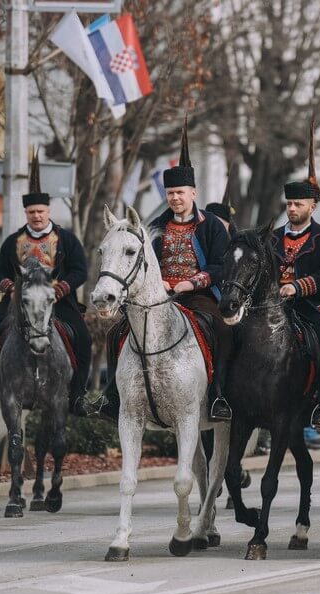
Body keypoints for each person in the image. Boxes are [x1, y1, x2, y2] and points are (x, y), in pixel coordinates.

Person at [95, 118, 233, 422]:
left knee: (221, 329)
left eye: (180, 192)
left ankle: (218, 396)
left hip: (197, 296)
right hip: (158, 297)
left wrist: (190, 283)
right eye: (170, 193)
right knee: (116, 332)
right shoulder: (155, 226)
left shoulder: (211, 225)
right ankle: (112, 398)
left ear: (193, 192)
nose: (175, 198)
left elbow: (222, 265)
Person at [0, 153, 91, 415]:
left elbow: (80, 271)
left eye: (40, 211)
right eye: (32, 212)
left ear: (48, 211)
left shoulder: (67, 240)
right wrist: (10, 288)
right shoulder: (13, 241)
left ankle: (78, 395)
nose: (36, 216)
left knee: (84, 337)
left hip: (58, 302)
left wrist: (60, 289)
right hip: (19, 303)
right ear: (26, 213)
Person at [269, 119, 320, 431]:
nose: (292, 208)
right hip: (274, 304)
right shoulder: (273, 237)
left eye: (298, 204)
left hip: (313, 306)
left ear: (312, 206)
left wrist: (297, 288)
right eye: (289, 203)